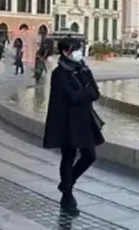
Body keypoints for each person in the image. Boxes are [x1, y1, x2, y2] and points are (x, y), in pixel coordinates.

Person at [42, 39, 104, 215]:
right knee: (68, 156)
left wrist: (84, 92)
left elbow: (95, 93)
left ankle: (66, 183)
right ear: (65, 52)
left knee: (89, 155)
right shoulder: (59, 73)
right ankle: (67, 195)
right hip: (66, 121)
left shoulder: (82, 68)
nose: (79, 52)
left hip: (84, 119)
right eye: (75, 49)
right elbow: (72, 97)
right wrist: (86, 91)